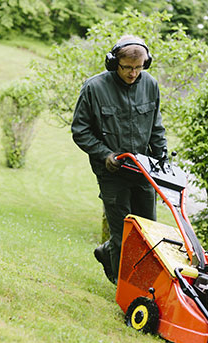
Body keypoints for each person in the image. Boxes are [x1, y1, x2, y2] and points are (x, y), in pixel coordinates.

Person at [71, 35, 168, 284]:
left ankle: (110, 256)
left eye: (139, 67)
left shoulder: (150, 85)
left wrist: (161, 162)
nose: (133, 73)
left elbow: (156, 128)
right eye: (127, 67)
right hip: (112, 172)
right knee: (123, 231)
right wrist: (105, 154)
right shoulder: (94, 88)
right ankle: (124, 286)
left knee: (147, 230)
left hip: (143, 170)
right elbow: (80, 130)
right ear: (114, 63)